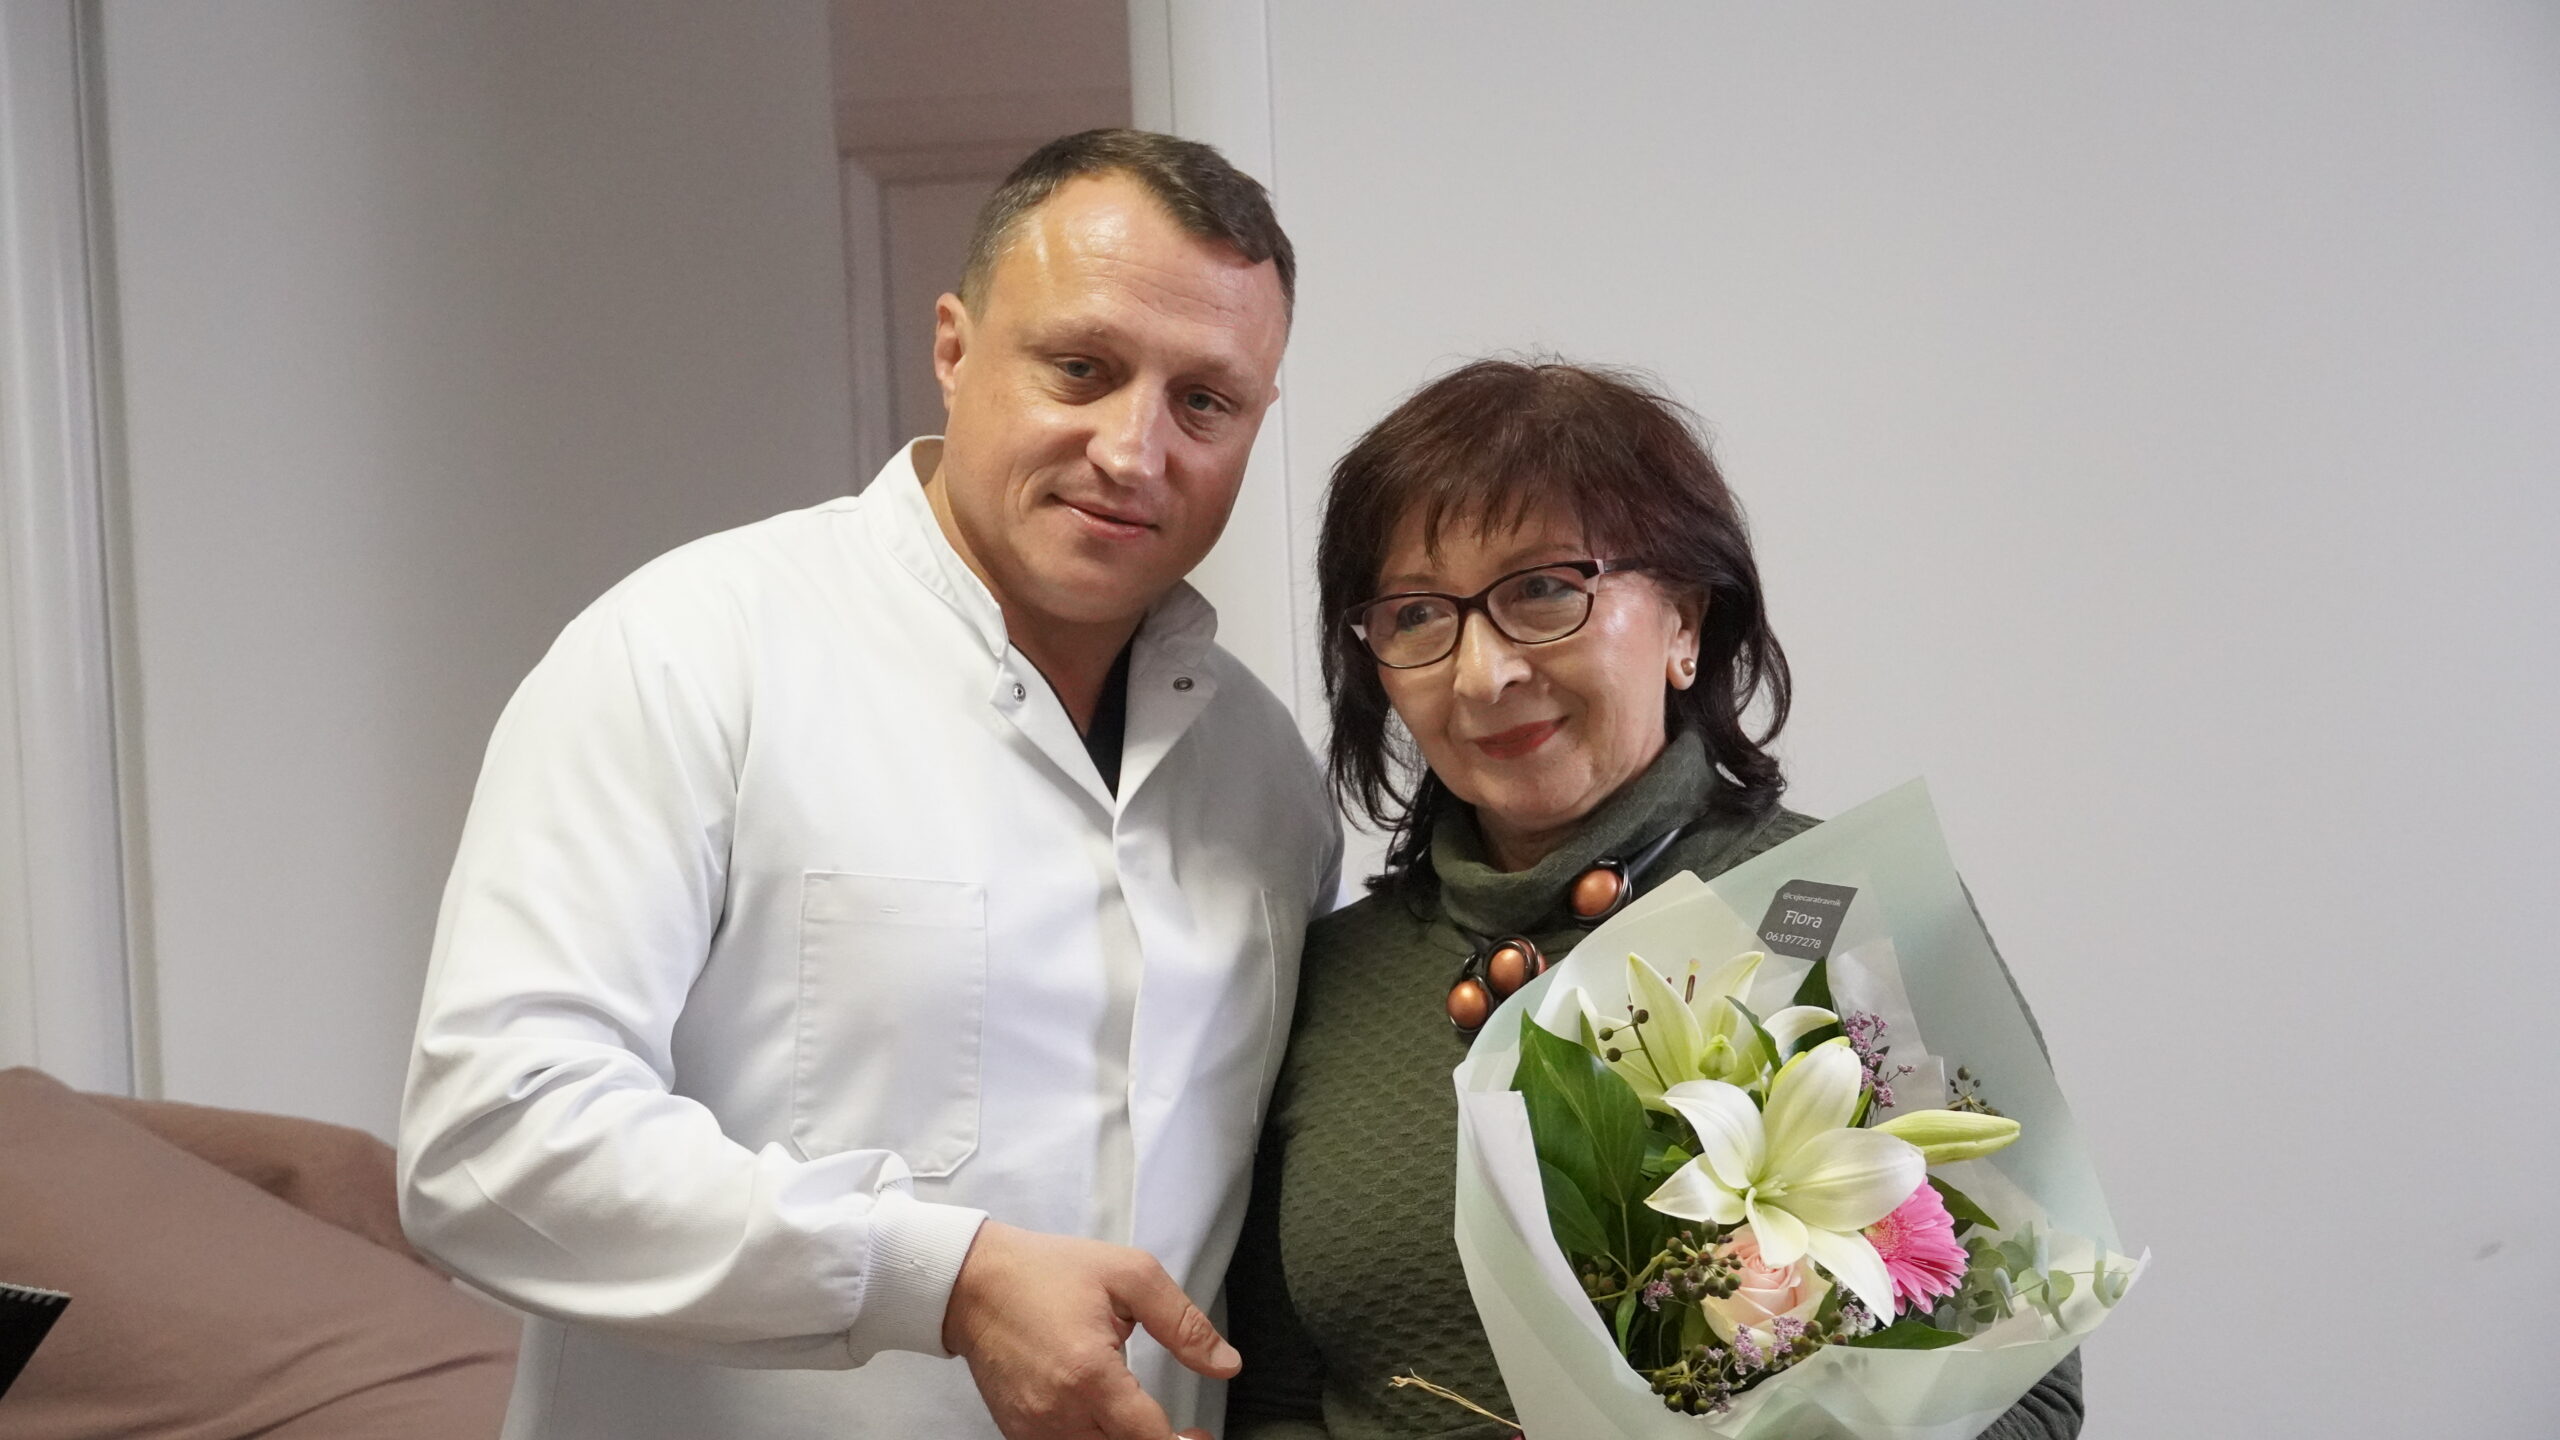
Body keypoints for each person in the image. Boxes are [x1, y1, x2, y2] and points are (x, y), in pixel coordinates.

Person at [398, 129, 1340, 1440]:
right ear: (953, 348)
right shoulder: (691, 651)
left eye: (1205, 403)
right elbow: (488, 1143)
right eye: (1081, 368)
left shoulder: (1265, 776)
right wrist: (939, 1276)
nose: (1135, 452)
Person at [1221, 359, 2084, 1439]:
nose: (1483, 673)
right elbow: (1274, 1396)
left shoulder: (1846, 912)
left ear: (1684, 621)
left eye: (1543, 590)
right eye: (1418, 614)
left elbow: (2026, 1389)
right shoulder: (1328, 980)